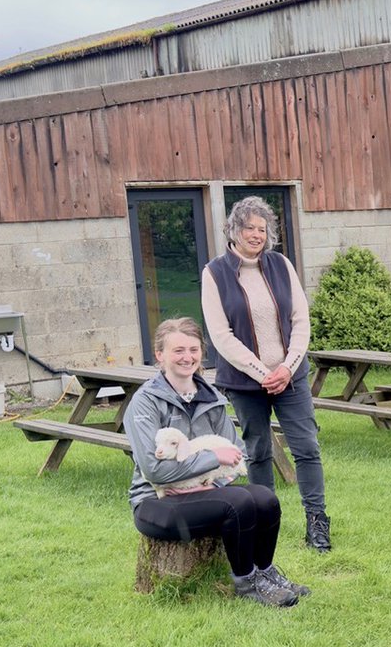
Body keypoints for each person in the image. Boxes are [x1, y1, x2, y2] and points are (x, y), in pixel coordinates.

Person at [124, 317, 309, 608]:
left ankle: (265, 573)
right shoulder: (145, 403)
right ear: (159, 355)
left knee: (264, 498)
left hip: (203, 491)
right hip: (155, 502)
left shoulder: (211, 397)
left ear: (202, 353)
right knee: (237, 501)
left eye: (194, 350)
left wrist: (208, 482)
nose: (188, 357)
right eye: (178, 351)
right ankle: (246, 583)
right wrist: (211, 459)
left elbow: (236, 454)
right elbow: (154, 470)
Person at [201, 196, 331, 552]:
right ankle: (262, 520)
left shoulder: (281, 265)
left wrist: (286, 368)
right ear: (234, 230)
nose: (256, 235)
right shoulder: (214, 273)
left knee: (306, 448)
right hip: (246, 382)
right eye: (249, 228)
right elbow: (221, 335)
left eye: (262, 229)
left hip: (291, 377)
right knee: (257, 451)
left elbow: (300, 320)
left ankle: (317, 523)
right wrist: (263, 373)